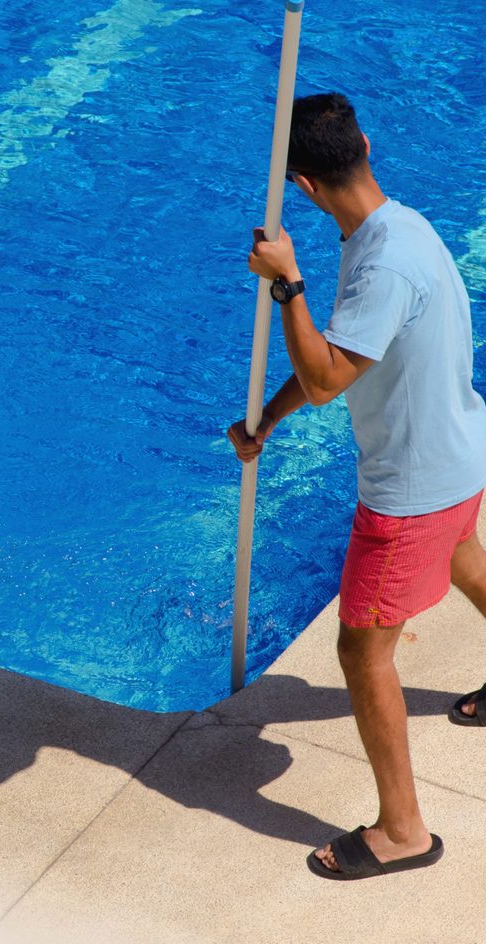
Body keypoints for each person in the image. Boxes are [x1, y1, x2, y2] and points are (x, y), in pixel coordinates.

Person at [227, 92, 486, 881]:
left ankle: (403, 831)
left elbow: (329, 375)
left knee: (362, 649)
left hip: (409, 490)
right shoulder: (396, 226)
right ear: (365, 143)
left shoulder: (378, 263)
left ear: (301, 186)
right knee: (465, 559)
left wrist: (287, 285)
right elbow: (349, 352)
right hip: (461, 453)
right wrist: (269, 417)